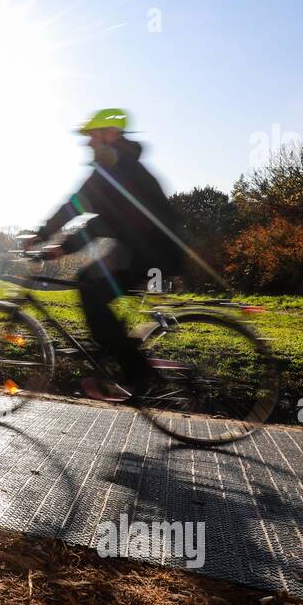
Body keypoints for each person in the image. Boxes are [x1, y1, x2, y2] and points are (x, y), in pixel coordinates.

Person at [25, 108, 180, 402]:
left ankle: (138, 375)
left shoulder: (118, 169)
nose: (88, 142)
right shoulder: (117, 166)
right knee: (93, 287)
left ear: (111, 135)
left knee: (93, 291)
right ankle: (113, 362)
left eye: (93, 135)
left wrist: (54, 243)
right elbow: (80, 208)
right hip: (143, 250)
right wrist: (48, 237)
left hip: (153, 254)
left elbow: (91, 216)